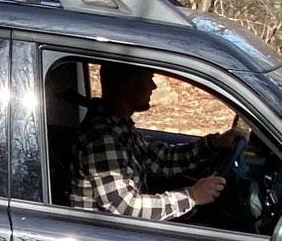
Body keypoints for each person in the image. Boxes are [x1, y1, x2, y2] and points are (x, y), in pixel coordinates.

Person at [68, 63, 244, 221]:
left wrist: (212, 144)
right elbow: (125, 207)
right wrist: (192, 196)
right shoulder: (102, 138)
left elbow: (160, 158)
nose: (153, 86)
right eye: (149, 78)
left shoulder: (118, 127)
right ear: (130, 85)